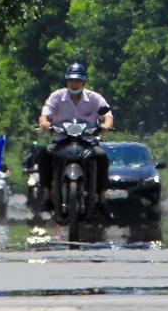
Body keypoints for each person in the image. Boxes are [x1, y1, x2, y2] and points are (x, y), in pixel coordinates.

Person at [37, 62, 114, 218]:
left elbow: (107, 115)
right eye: (71, 80)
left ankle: (101, 199)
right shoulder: (57, 96)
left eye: (77, 80)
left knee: (102, 157)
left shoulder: (94, 98)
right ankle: (47, 196)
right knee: (44, 154)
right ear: (66, 81)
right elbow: (45, 113)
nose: (74, 83)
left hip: (87, 141)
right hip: (61, 140)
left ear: (83, 82)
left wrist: (106, 125)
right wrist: (44, 122)